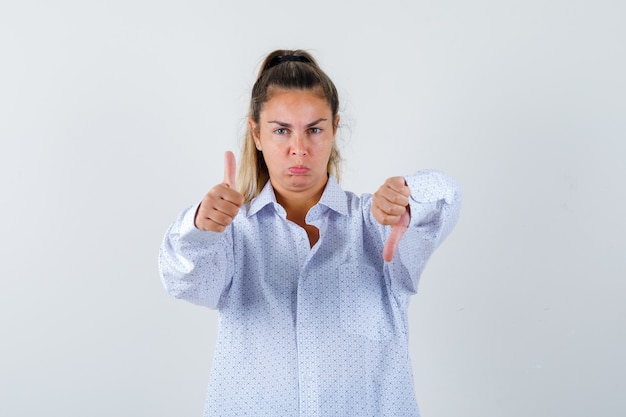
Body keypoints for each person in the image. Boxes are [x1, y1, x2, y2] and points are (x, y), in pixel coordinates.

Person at [159, 49, 462, 417]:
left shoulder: (377, 225)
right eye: (281, 130)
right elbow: (182, 280)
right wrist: (200, 228)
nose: (298, 149)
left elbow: (446, 197)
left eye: (314, 129)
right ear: (256, 133)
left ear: (334, 128)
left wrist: (409, 199)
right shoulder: (234, 234)